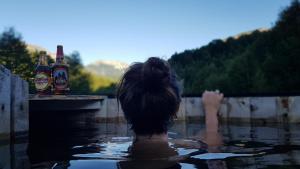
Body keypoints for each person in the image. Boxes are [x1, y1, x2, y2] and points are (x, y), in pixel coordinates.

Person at [117, 57, 225, 169]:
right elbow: (212, 144)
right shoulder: (192, 152)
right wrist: (211, 109)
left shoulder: (114, 148)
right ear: (176, 108)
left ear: (124, 109)